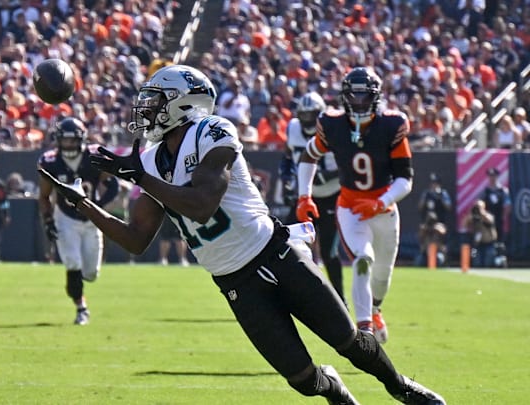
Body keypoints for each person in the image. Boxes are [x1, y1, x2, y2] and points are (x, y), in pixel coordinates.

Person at [46, 64, 444, 404]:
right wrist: (82, 203)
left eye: (155, 100)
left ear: (183, 102)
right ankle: (334, 391)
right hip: (234, 281)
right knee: (303, 379)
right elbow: (135, 239)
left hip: (277, 256)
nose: (146, 109)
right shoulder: (150, 160)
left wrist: (141, 178)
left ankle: (400, 387)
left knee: (350, 343)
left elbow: (202, 203)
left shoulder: (212, 131)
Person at [296, 67, 413, 345]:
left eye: (364, 96)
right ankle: (364, 332)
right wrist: (304, 196)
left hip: (384, 211)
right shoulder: (332, 124)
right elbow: (308, 156)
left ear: (375, 97)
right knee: (363, 259)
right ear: (345, 97)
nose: (359, 102)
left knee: (382, 275)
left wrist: (380, 202)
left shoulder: (391, 125)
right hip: (350, 208)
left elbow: (406, 179)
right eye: (354, 96)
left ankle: (374, 310)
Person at [37, 117, 119, 325]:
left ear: (81, 139)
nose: (68, 145)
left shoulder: (93, 157)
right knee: (73, 263)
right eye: (64, 141)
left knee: (91, 273)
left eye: (72, 140)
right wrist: (47, 221)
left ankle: (76, 284)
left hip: (91, 220)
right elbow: (44, 196)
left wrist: (98, 204)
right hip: (65, 218)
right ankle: (81, 308)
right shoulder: (50, 161)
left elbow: (113, 185)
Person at [283, 91, 345, 303]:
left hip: (331, 195)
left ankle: (340, 299)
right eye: (305, 115)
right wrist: (287, 179)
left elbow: (349, 162)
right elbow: (286, 157)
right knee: (283, 242)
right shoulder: (292, 128)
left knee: (329, 252)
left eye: (312, 115)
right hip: (305, 197)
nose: (308, 120)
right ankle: (288, 295)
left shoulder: (334, 129)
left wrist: (327, 174)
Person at [463, 199, 498, 268]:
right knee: (476, 263)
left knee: (488, 264)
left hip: (489, 244)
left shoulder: (488, 216)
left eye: (479, 207)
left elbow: (490, 220)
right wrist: (471, 213)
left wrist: (481, 212)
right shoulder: (473, 217)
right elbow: (464, 225)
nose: (477, 209)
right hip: (477, 245)